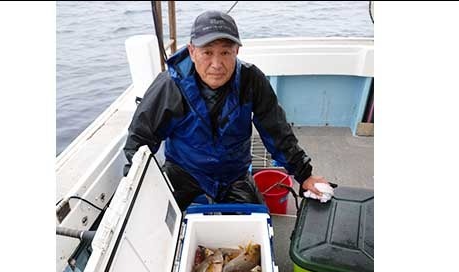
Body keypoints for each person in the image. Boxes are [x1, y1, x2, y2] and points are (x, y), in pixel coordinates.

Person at [124, 10, 329, 210]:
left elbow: (276, 131)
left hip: (233, 174)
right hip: (184, 171)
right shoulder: (170, 85)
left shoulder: (251, 80)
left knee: (257, 225)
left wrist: (304, 175)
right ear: (192, 51)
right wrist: (135, 185)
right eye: (207, 52)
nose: (216, 64)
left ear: (236, 51)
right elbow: (140, 140)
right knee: (153, 221)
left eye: (225, 52)